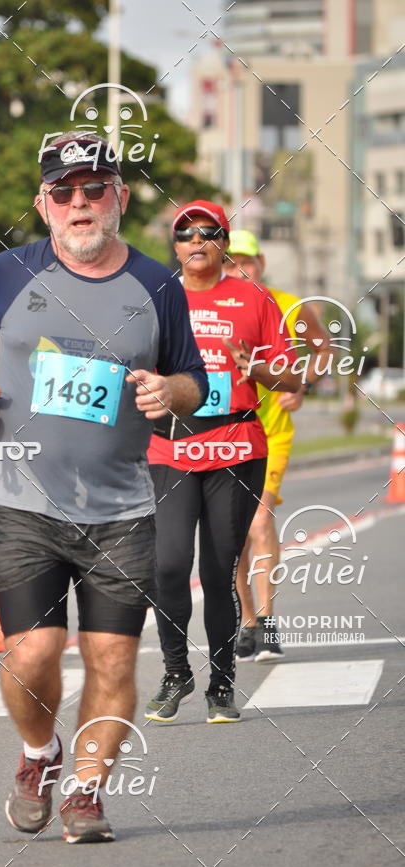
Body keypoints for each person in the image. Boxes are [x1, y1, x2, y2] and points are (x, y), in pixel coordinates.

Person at [0, 132, 208, 843]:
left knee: (112, 656)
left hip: (122, 508)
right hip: (22, 502)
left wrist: (168, 391)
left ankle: (87, 793)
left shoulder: (158, 285)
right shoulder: (5, 274)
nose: (80, 203)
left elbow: (195, 381)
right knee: (31, 651)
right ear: (44, 204)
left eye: (95, 189)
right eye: (65, 192)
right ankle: (40, 753)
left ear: (119, 197)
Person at [144, 201, 301, 726]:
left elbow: (292, 379)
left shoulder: (254, 299)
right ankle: (174, 673)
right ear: (175, 245)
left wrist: (254, 365)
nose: (196, 241)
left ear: (224, 243)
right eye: (184, 233)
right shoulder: (158, 297)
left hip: (235, 446)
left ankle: (221, 682)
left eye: (208, 233)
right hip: (171, 447)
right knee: (167, 565)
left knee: (217, 571)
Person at [224, 230, 331, 661]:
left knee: (259, 521)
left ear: (261, 263)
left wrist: (303, 384)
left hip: (271, 435)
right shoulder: (212, 308)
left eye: (245, 262)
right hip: (221, 437)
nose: (238, 270)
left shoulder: (290, 307)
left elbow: (322, 349)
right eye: (229, 262)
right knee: (232, 538)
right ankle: (247, 620)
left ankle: (267, 621)